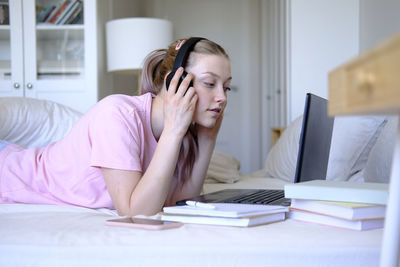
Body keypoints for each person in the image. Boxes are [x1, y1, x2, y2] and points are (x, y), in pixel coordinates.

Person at [0, 37, 232, 216]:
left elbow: (181, 201)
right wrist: (173, 131)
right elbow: (135, 213)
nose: (222, 97)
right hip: (10, 174)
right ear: (175, 82)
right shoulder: (117, 114)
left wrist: (207, 138)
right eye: (210, 83)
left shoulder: (182, 133)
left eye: (227, 87)